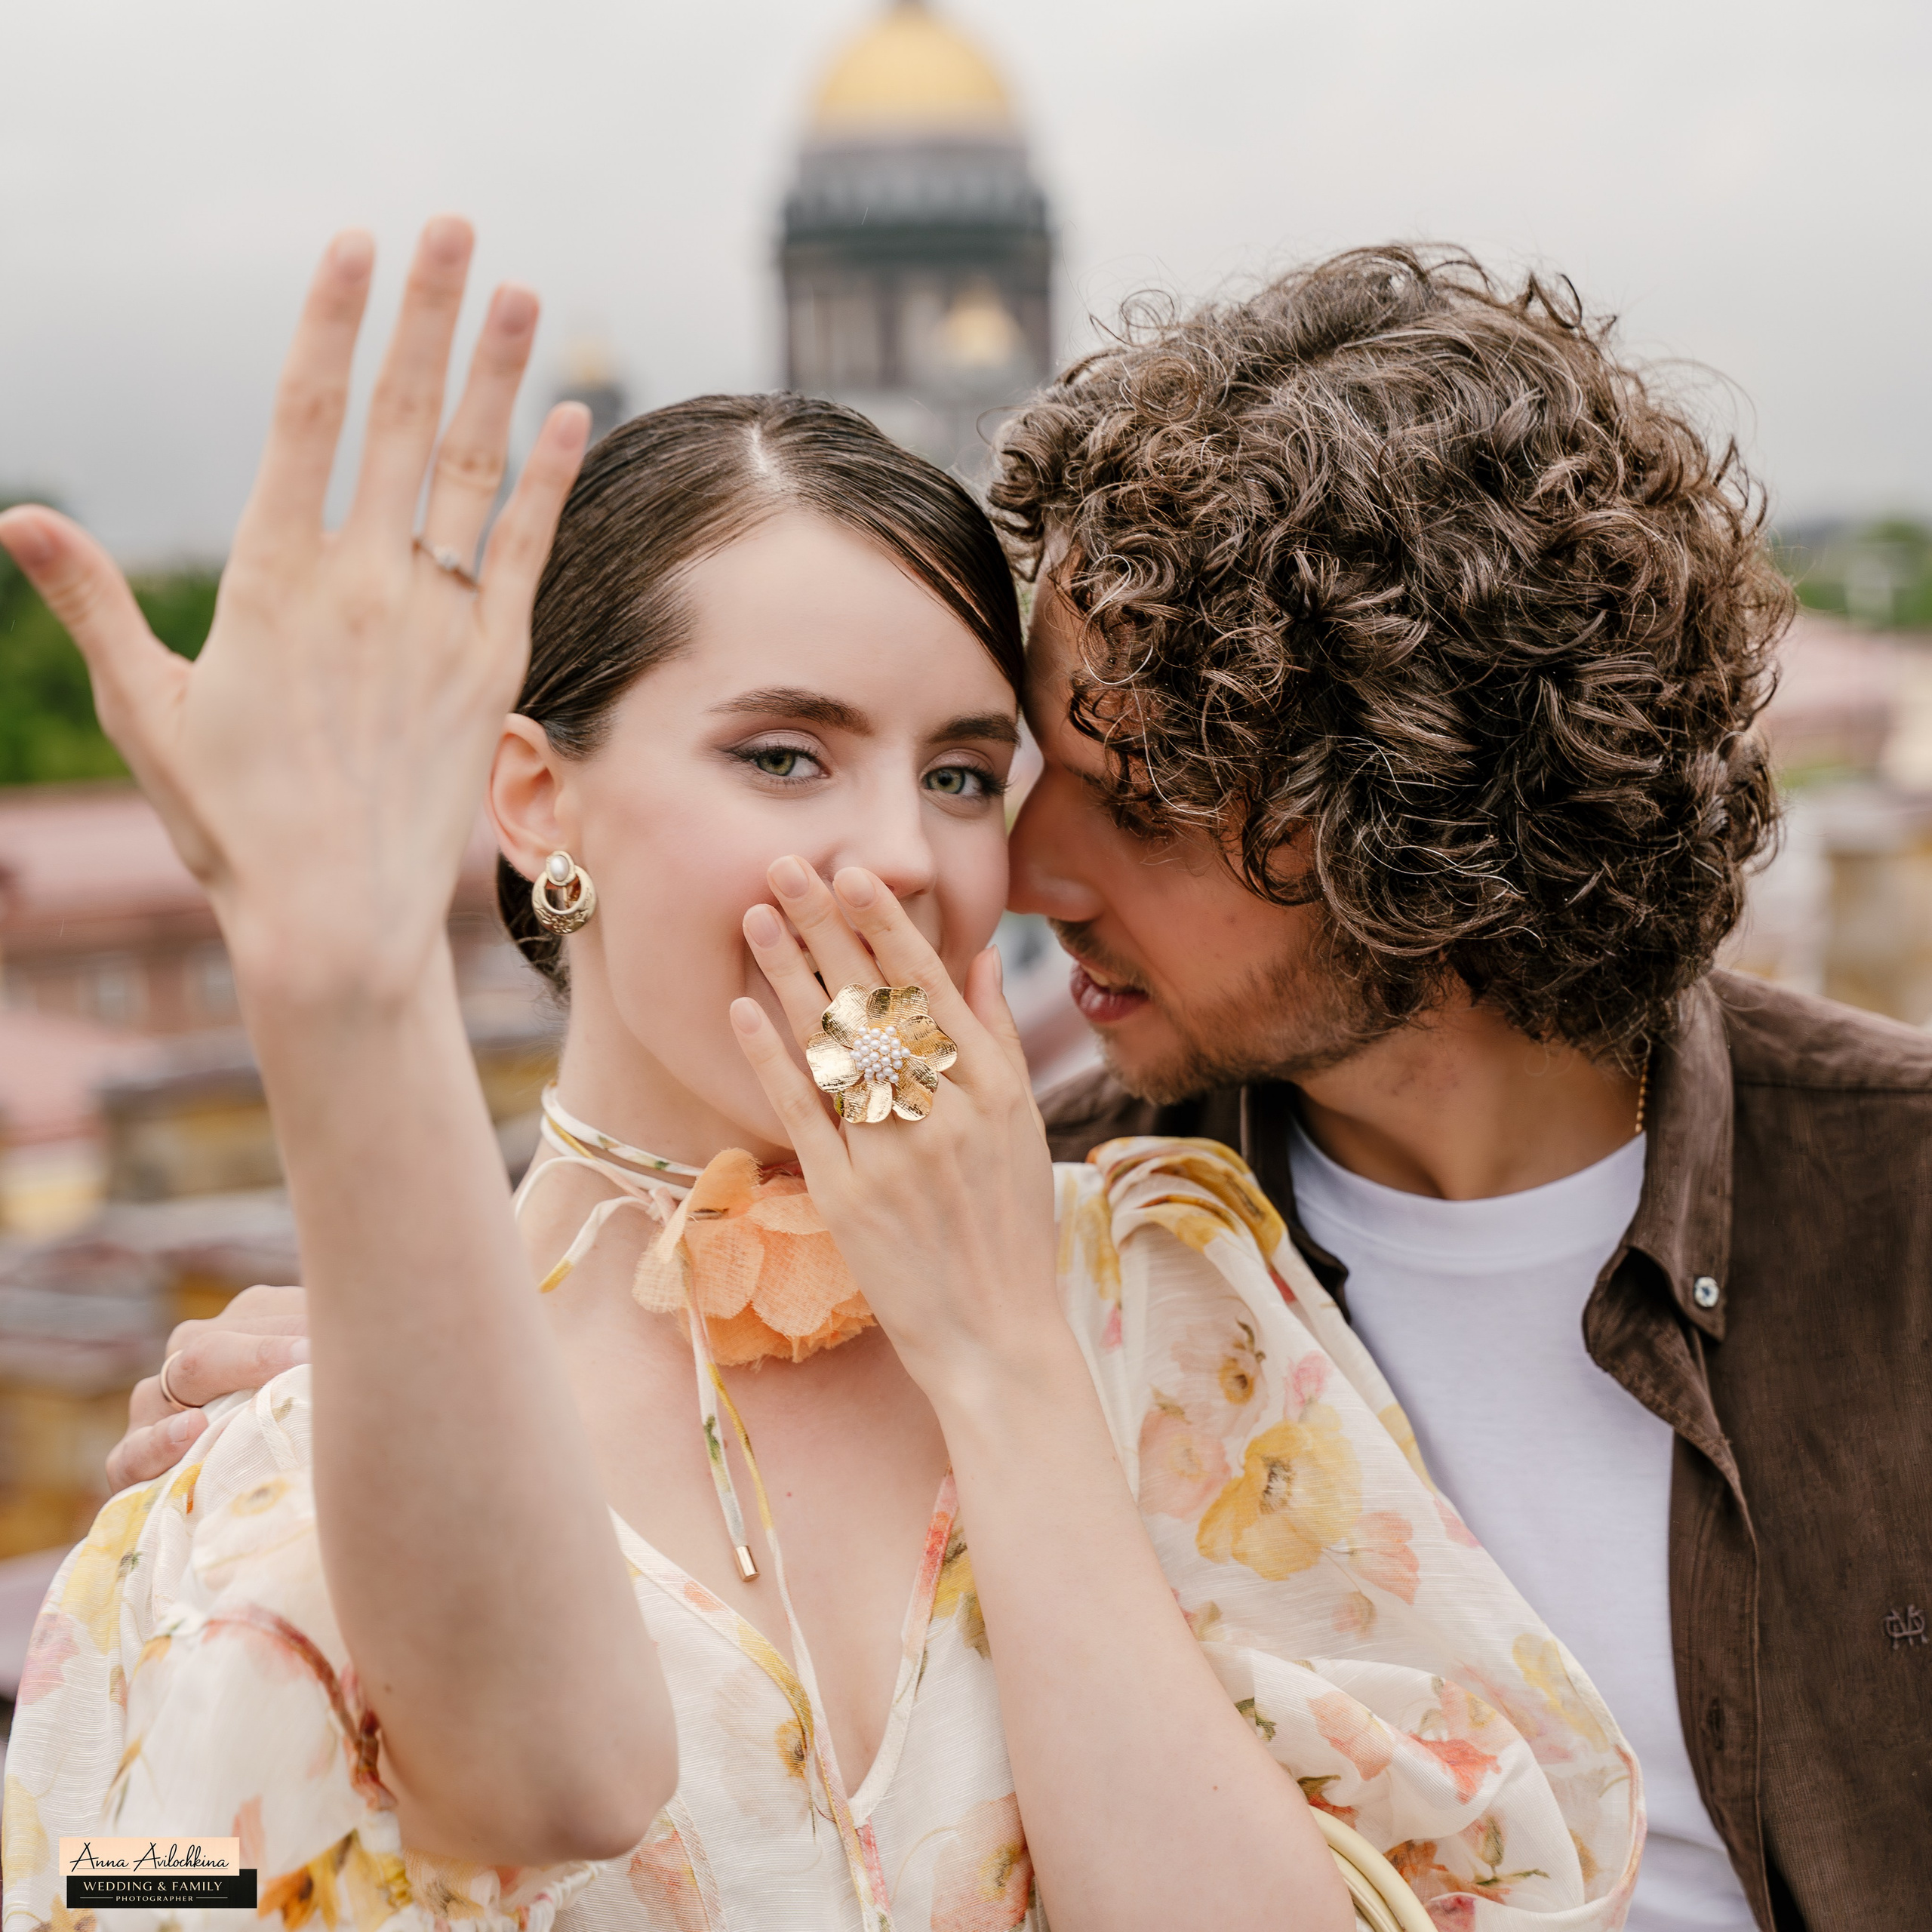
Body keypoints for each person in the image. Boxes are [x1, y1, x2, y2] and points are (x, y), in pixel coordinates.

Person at [115, 245, 1928, 1932]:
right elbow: (133, 1871)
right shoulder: (1025, 1194)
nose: (996, 872)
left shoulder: (1148, 1281)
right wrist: (404, 1386)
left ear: (1419, 846)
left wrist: (998, 1354)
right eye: (785, 753)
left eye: (997, 779)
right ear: (530, 796)